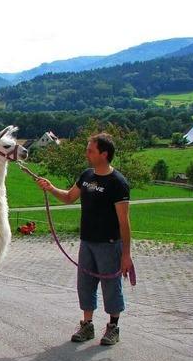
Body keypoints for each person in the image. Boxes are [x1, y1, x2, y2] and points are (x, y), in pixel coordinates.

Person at [36, 133, 133, 346]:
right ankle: (87, 325)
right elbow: (69, 197)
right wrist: (51, 188)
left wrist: (126, 255)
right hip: (87, 242)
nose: (86, 153)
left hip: (109, 243)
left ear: (104, 154)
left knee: (110, 286)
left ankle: (113, 327)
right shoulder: (86, 176)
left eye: (91, 150)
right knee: (85, 285)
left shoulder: (118, 183)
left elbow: (124, 222)